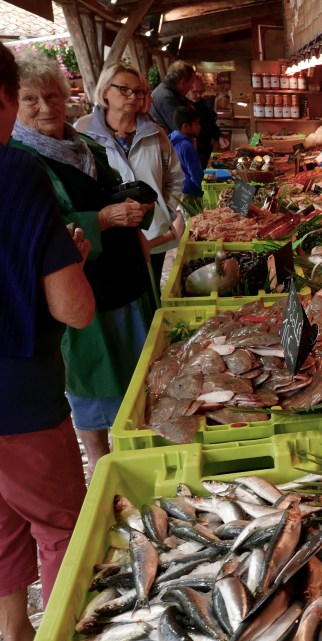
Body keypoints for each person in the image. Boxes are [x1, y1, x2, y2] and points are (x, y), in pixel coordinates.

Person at [10, 51, 155, 478]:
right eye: (31, 99)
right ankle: (103, 466)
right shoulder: (21, 162)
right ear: (13, 104)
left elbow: (110, 194)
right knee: (94, 386)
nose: (45, 107)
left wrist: (135, 210)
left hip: (127, 281)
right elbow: (39, 231)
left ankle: (141, 452)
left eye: (53, 96)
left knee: (140, 376)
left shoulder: (85, 144)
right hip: (84, 290)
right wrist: (106, 219)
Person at [0, 44, 94, 641]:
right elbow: (74, 310)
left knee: (3, 526)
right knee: (63, 527)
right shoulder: (17, 172)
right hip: (21, 397)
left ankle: (14, 632)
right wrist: (72, 261)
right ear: (5, 99)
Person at [76, 63, 186, 292]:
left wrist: (162, 211)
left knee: (151, 292)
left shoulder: (155, 132)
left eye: (139, 91)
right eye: (124, 89)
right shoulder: (82, 131)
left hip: (152, 235)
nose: (133, 96)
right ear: (105, 90)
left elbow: (174, 178)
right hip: (107, 237)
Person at [186, 75, 228, 170]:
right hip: (191, 151)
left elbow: (210, 123)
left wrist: (219, 137)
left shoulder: (202, 103)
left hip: (205, 149)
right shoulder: (181, 106)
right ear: (187, 89)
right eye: (195, 92)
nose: (199, 95)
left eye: (201, 92)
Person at [170, 106, 203, 213]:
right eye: (197, 124)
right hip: (191, 191)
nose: (200, 127)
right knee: (193, 223)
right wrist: (201, 189)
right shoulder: (186, 146)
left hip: (180, 189)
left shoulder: (173, 138)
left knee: (182, 218)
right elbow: (196, 173)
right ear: (185, 126)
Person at [149, 60, 196, 134]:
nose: (192, 87)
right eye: (192, 82)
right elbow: (181, 131)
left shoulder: (166, 90)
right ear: (182, 83)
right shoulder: (167, 98)